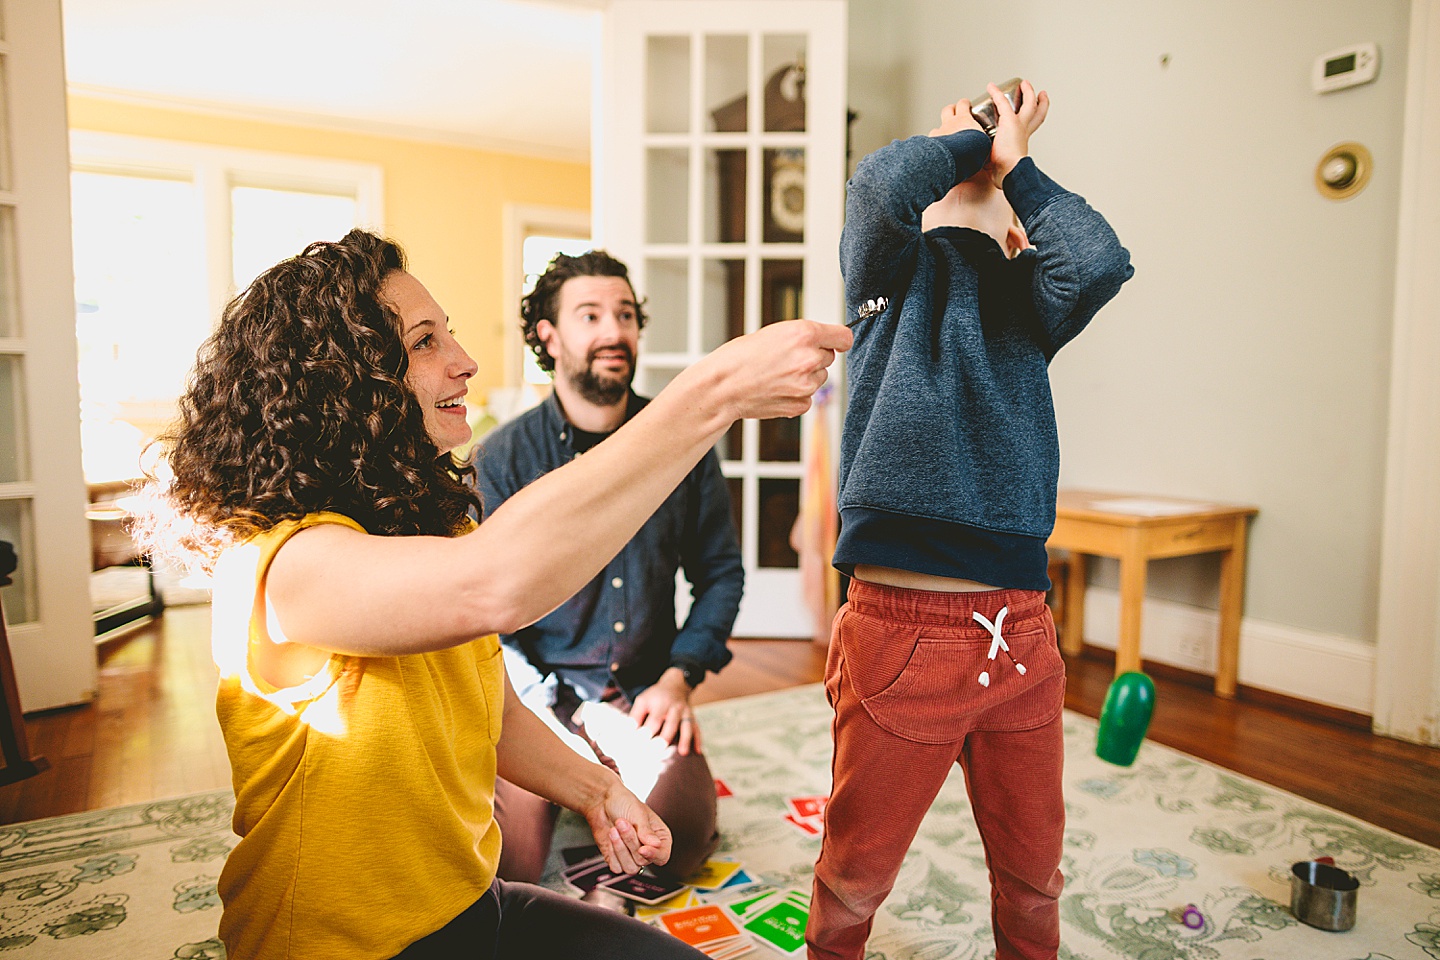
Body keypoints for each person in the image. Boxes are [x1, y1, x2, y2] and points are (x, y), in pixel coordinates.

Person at [140, 229, 850, 960]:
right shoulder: (284, 566)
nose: (464, 361)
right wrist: (715, 393)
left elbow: (493, 712)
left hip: (474, 909)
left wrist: (596, 790)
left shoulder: (428, 524)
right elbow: (496, 585)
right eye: (423, 342)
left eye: (447, 333)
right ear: (342, 380)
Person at [808, 82, 1134, 960]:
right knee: (857, 870)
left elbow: (1097, 260)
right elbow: (880, 189)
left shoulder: (1030, 300)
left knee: (1033, 874)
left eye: (992, 179)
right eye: (963, 165)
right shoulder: (885, 280)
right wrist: (964, 143)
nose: (975, 169)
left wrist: (1014, 161)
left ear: (1019, 233)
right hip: (898, 630)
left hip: (1019, 638)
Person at [473, 250, 741, 883]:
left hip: (644, 693)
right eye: (589, 315)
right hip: (538, 698)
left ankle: (614, 779)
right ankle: (579, 781)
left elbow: (721, 573)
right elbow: (485, 613)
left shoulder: (683, 441)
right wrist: (544, 711)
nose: (612, 331)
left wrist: (678, 679)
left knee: (669, 853)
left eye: (624, 314)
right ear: (550, 336)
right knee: (510, 869)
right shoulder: (504, 457)